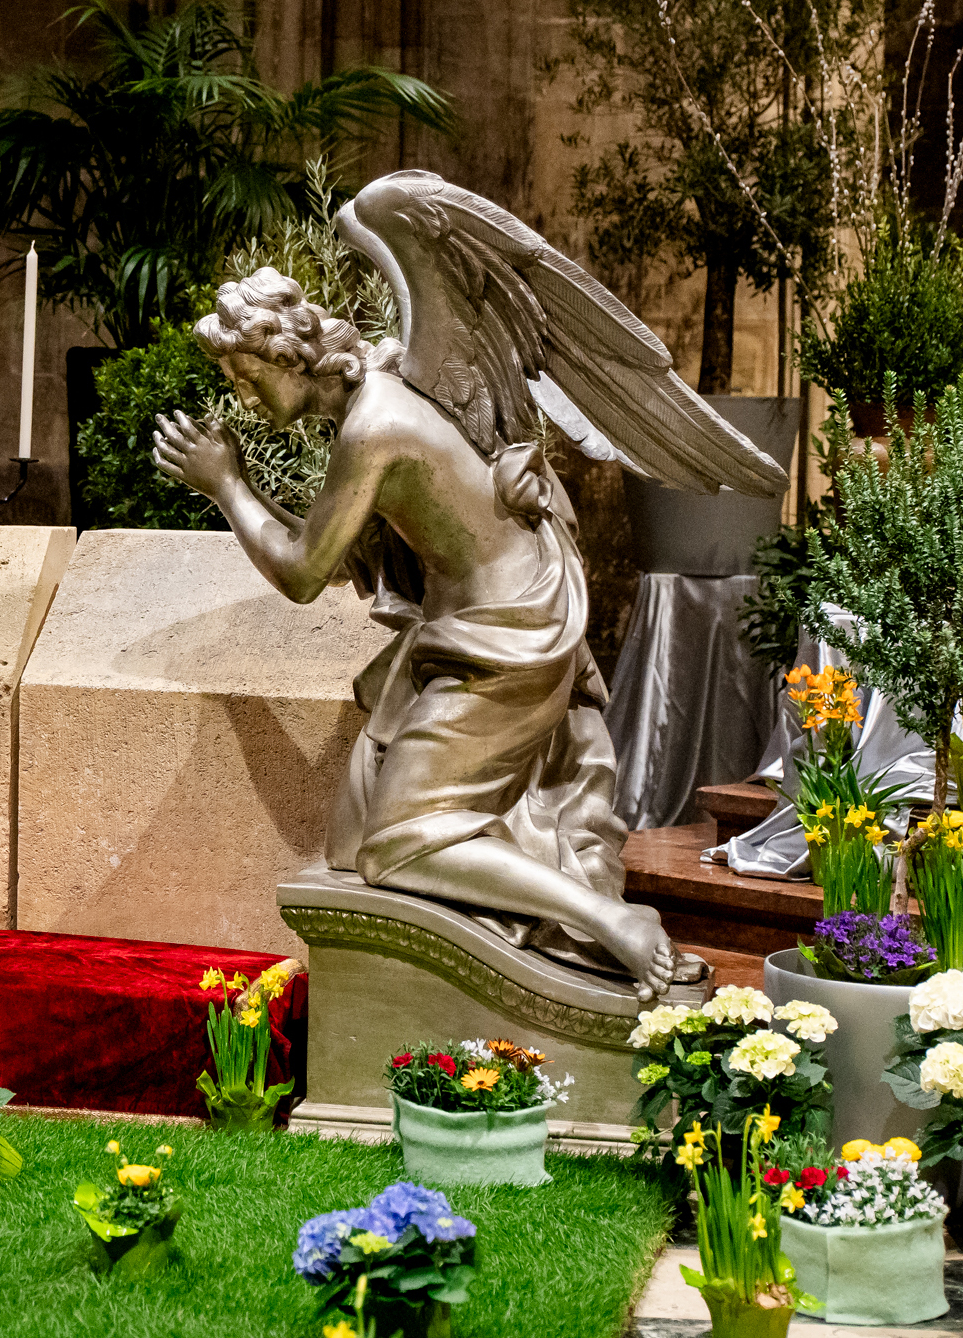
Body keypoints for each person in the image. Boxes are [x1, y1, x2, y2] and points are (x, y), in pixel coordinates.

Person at [153, 266, 678, 1000]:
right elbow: (331, 548)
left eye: (248, 378)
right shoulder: (379, 393)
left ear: (288, 357)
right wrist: (241, 486)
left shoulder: (373, 427)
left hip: (503, 638)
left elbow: (302, 573)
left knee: (394, 844)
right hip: (471, 623)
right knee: (353, 837)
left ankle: (609, 921)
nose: (245, 398)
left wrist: (227, 485)